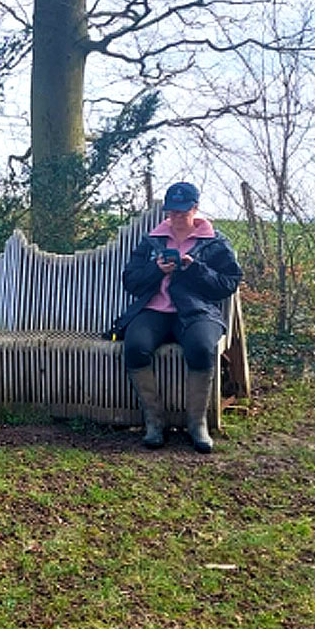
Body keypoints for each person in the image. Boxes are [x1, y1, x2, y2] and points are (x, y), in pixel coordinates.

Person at [115, 181, 242, 453]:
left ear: (195, 210)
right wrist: (156, 269)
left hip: (197, 311)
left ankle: (197, 425)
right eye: (172, 213)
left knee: (201, 347)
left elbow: (228, 283)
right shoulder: (152, 239)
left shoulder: (216, 242)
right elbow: (131, 280)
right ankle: (154, 422)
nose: (177, 219)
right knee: (135, 346)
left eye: (183, 213)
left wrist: (195, 269)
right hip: (154, 309)